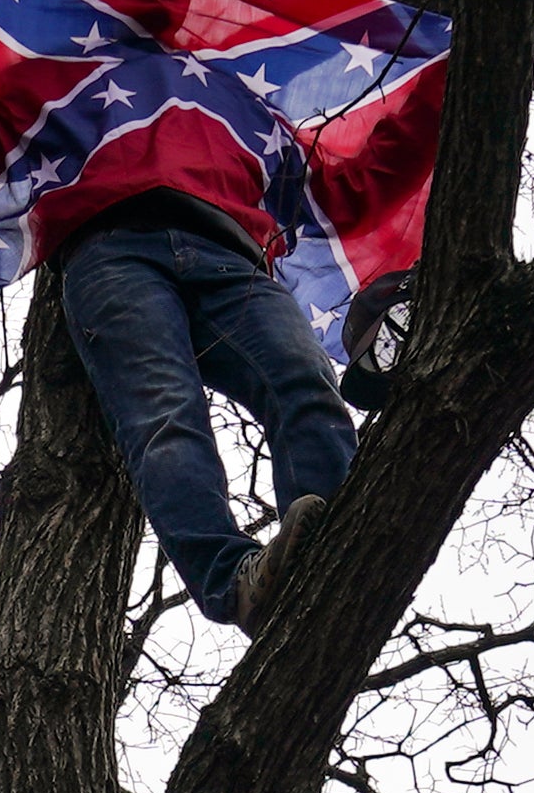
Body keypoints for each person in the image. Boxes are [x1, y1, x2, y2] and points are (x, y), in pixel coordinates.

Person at [55, 183, 354, 632]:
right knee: (166, 420)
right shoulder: (66, 109)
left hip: (233, 254)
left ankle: (333, 551)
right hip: (108, 243)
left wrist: (431, 113)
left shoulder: (255, 115)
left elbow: (343, 178)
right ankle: (236, 583)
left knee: (305, 381)